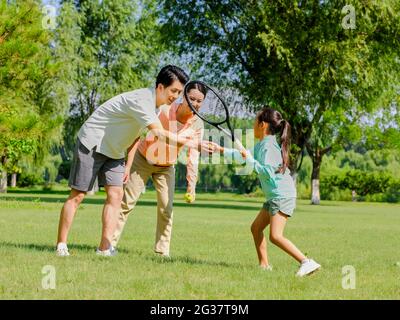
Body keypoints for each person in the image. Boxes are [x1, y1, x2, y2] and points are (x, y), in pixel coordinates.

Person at [56, 65, 212, 257]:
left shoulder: (159, 108)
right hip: (93, 141)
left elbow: (135, 136)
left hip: (119, 150)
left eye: (179, 92)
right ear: (160, 87)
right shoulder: (145, 103)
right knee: (79, 195)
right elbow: (159, 134)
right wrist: (191, 143)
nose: (176, 96)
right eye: (174, 91)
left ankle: (105, 249)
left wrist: (127, 166)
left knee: (116, 196)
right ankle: (61, 245)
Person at [211, 106, 321, 276]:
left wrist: (250, 161)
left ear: (262, 125)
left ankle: (306, 262)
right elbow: (243, 156)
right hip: (275, 196)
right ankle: (264, 265)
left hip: (280, 195)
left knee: (275, 236)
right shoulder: (264, 144)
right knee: (256, 228)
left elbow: (267, 172)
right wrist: (221, 150)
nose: (253, 124)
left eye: (255, 121)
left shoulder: (268, 147)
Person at [111, 82, 207, 257]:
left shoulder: (197, 124)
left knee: (166, 209)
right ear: (183, 97)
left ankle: (162, 253)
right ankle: (109, 244)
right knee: (126, 203)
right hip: (143, 159)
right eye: (191, 98)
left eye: (199, 101)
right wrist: (127, 163)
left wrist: (191, 186)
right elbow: (137, 133)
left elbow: (193, 157)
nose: (195, 103)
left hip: (166, 167)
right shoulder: (164, 109)